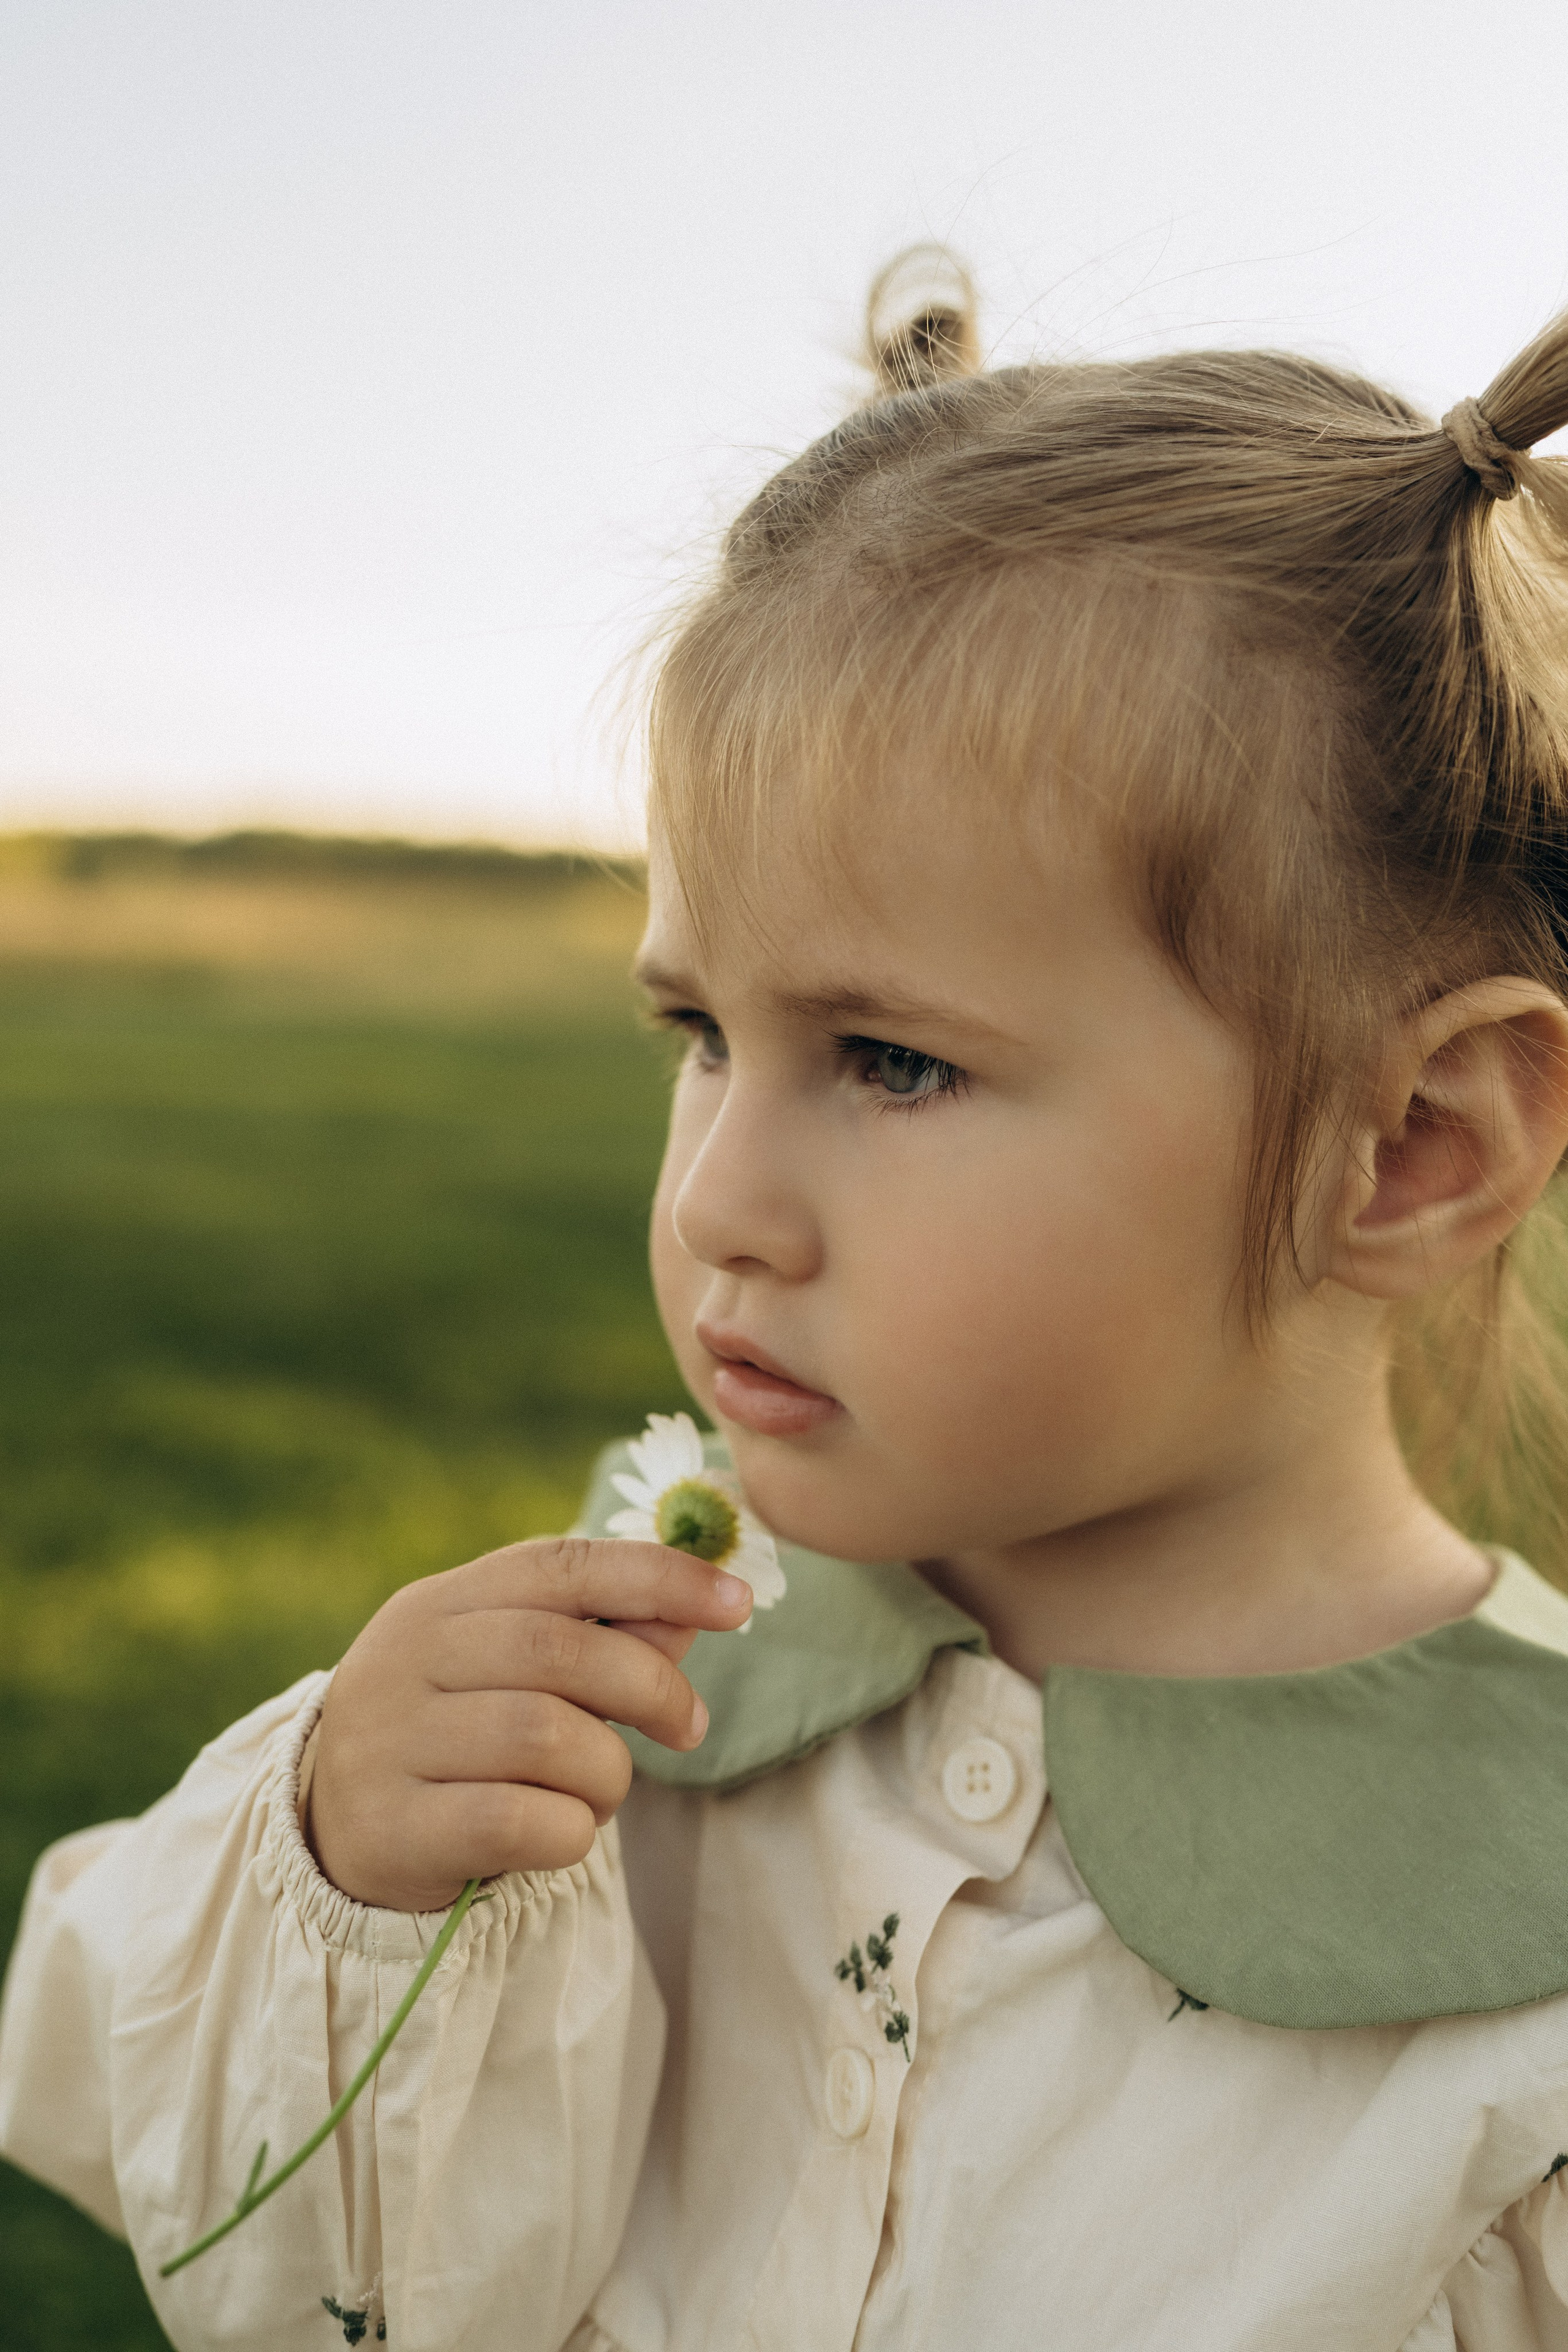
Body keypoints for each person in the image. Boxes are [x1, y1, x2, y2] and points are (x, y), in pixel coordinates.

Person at [7, 248, 1568, 2352]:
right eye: (700, 1032)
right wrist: (348, 1878)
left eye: (895, 1060)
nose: (719, 1197)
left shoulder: (1526, 1994)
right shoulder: (621, 1718)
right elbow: (307, 2280)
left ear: (1414, 1147)